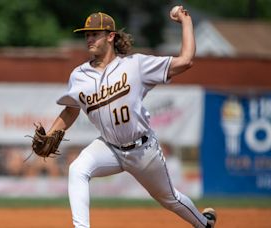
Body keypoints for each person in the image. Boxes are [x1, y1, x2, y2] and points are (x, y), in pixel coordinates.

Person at [45, 7, 217, 228]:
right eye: (87, 34)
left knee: (170, 199)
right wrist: (51, 133)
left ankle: (204, 224)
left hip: (143, 151)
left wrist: (186, 21)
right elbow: (71, 109)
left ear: (110, 36)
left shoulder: (136, 65)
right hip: (109, 148)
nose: (89, 38)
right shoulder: (79, 75)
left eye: (94, 34)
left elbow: (185, 61)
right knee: (77, 169)